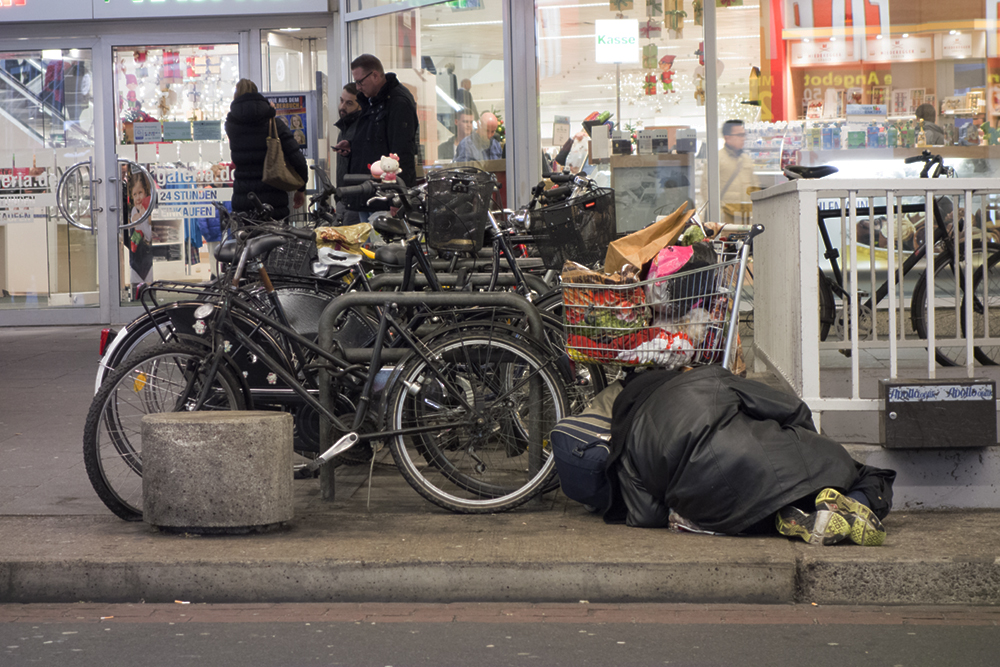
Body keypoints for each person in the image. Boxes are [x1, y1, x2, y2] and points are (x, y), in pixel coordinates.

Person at [604, 366, 896, 547]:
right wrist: (805, 446)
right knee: (869, 475)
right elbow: (793, 409)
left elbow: (646, 516)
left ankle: (793, 518)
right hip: (765, 462)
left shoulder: (626, 443)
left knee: (763, 506)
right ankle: (852, 504)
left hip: (719, 513)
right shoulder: (704, 379)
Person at [335, 54, 419, 218]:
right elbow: (375, 141)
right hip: (368, 193)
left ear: (375, 75)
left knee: (381, 242)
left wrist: (399, 198)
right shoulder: (371, 101)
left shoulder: (397, 102)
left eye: (360, 82)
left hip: (385, 197)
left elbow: (402, 152)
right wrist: (353, 146)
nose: (358, 87)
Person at [224, 78, 308, 220]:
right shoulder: (274, 124)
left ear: (236, 98)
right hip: (273, 199)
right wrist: (301, 188)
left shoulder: (231, 126)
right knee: (275, 240)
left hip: (244, 198)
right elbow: (297, 158)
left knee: (246, 240)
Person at [705, 119, 759, 224]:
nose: (743, 138)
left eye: (744, 135)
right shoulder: (716, 159)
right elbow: (706, 189)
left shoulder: (746, 159)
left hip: (746, 219)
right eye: (739, 135)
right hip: (725, 219)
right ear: (727, 138)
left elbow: (755, 187)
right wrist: (718, 215)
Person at [333, 82, 362, 225]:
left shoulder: (361, 128)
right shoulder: (344, 128)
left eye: (349, 103)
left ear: (360, 105)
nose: (342, 107)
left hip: (356, 203)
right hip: (343, 199)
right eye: (341, 101)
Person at [123, 171, 154, 299]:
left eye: (140, 193)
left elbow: (149, 236)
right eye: (135, 194)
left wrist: (142, 218)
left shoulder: (148, 211)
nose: (138, 198)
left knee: (148, 284)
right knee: (136, 283)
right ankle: (136, 295)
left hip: (148, 259)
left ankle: (148, 296)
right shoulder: (133, 211)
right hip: (136, 259)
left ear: (146, 193)